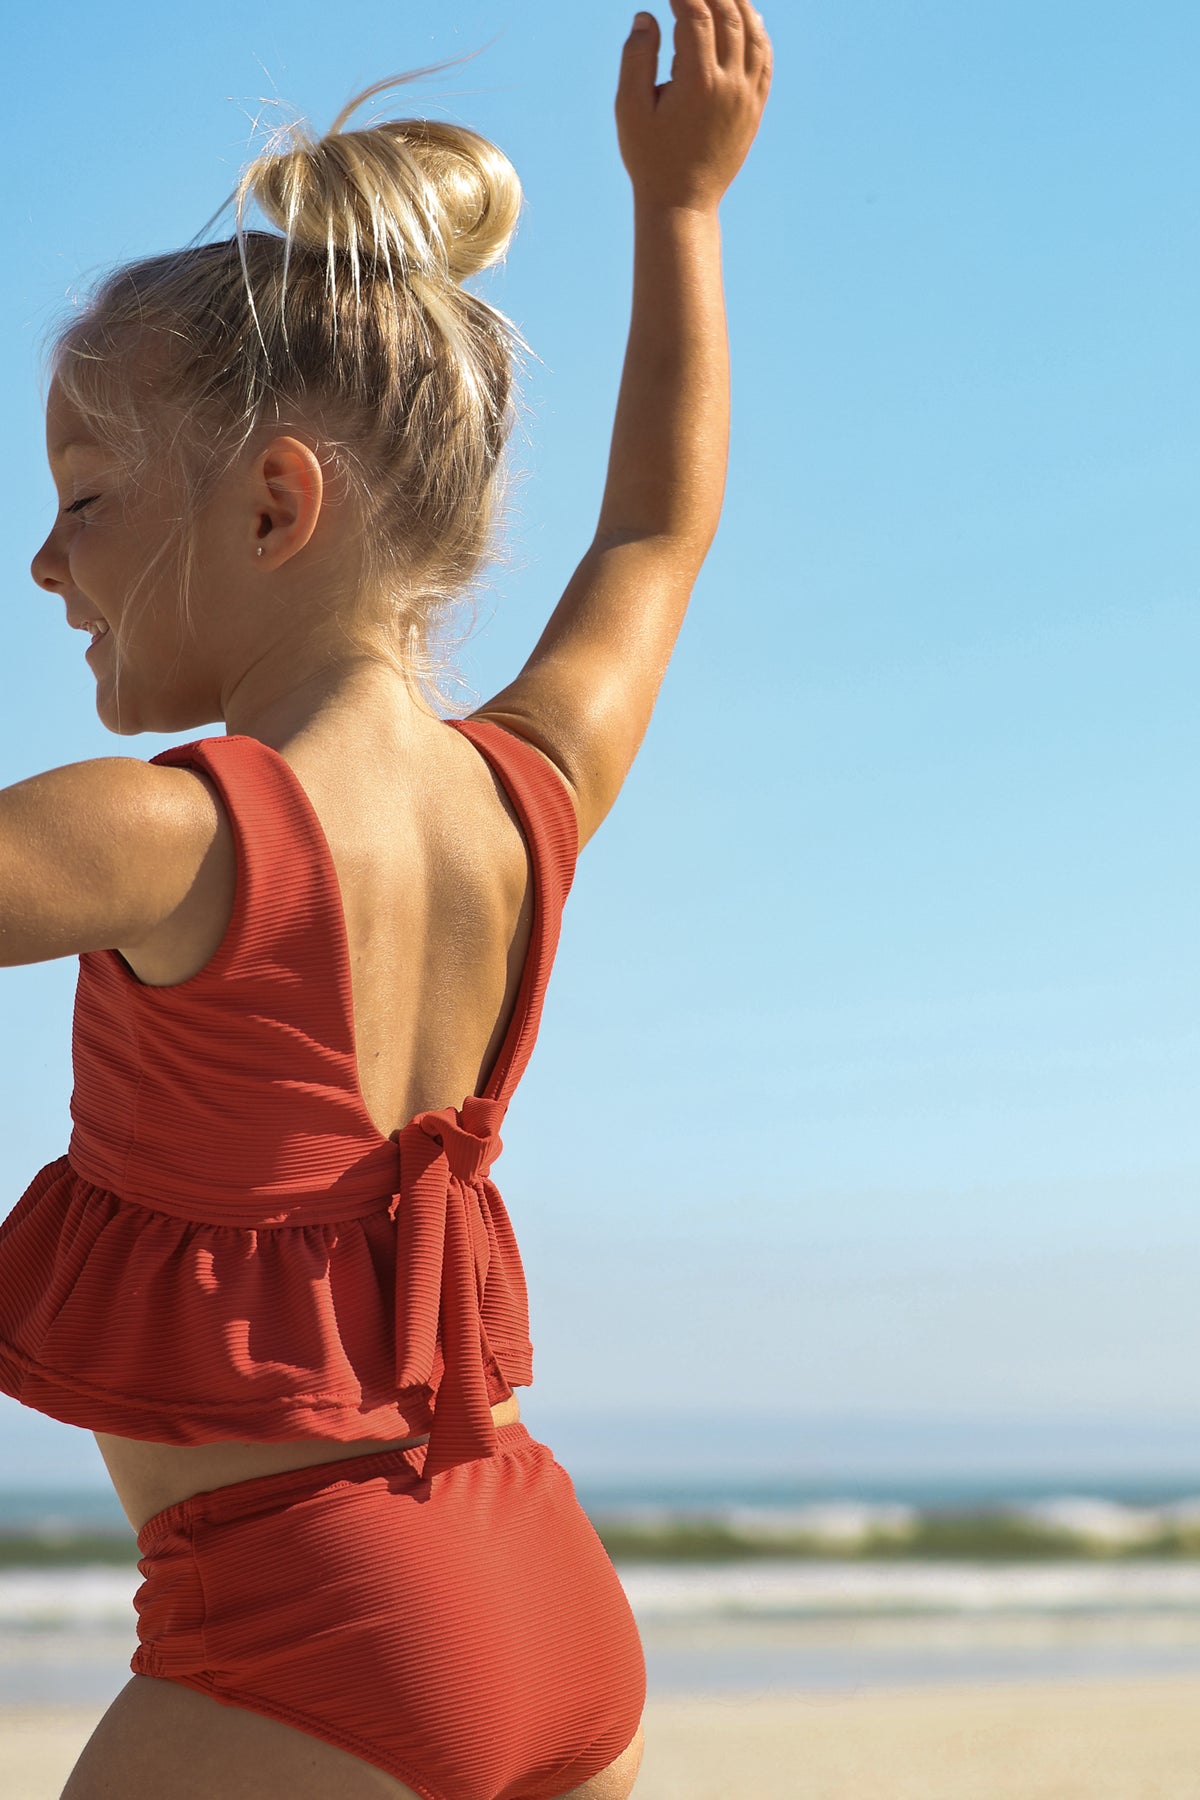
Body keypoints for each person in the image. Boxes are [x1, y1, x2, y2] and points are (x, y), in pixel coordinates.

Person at [0, 4, 772, 1796]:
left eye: (86, 501)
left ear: (278, 503)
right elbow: (657, 534)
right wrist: (686, 207)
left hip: (311, 1634)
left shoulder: (168, 834)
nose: (45, 563)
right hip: (546, 1592)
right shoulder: (533, 793)